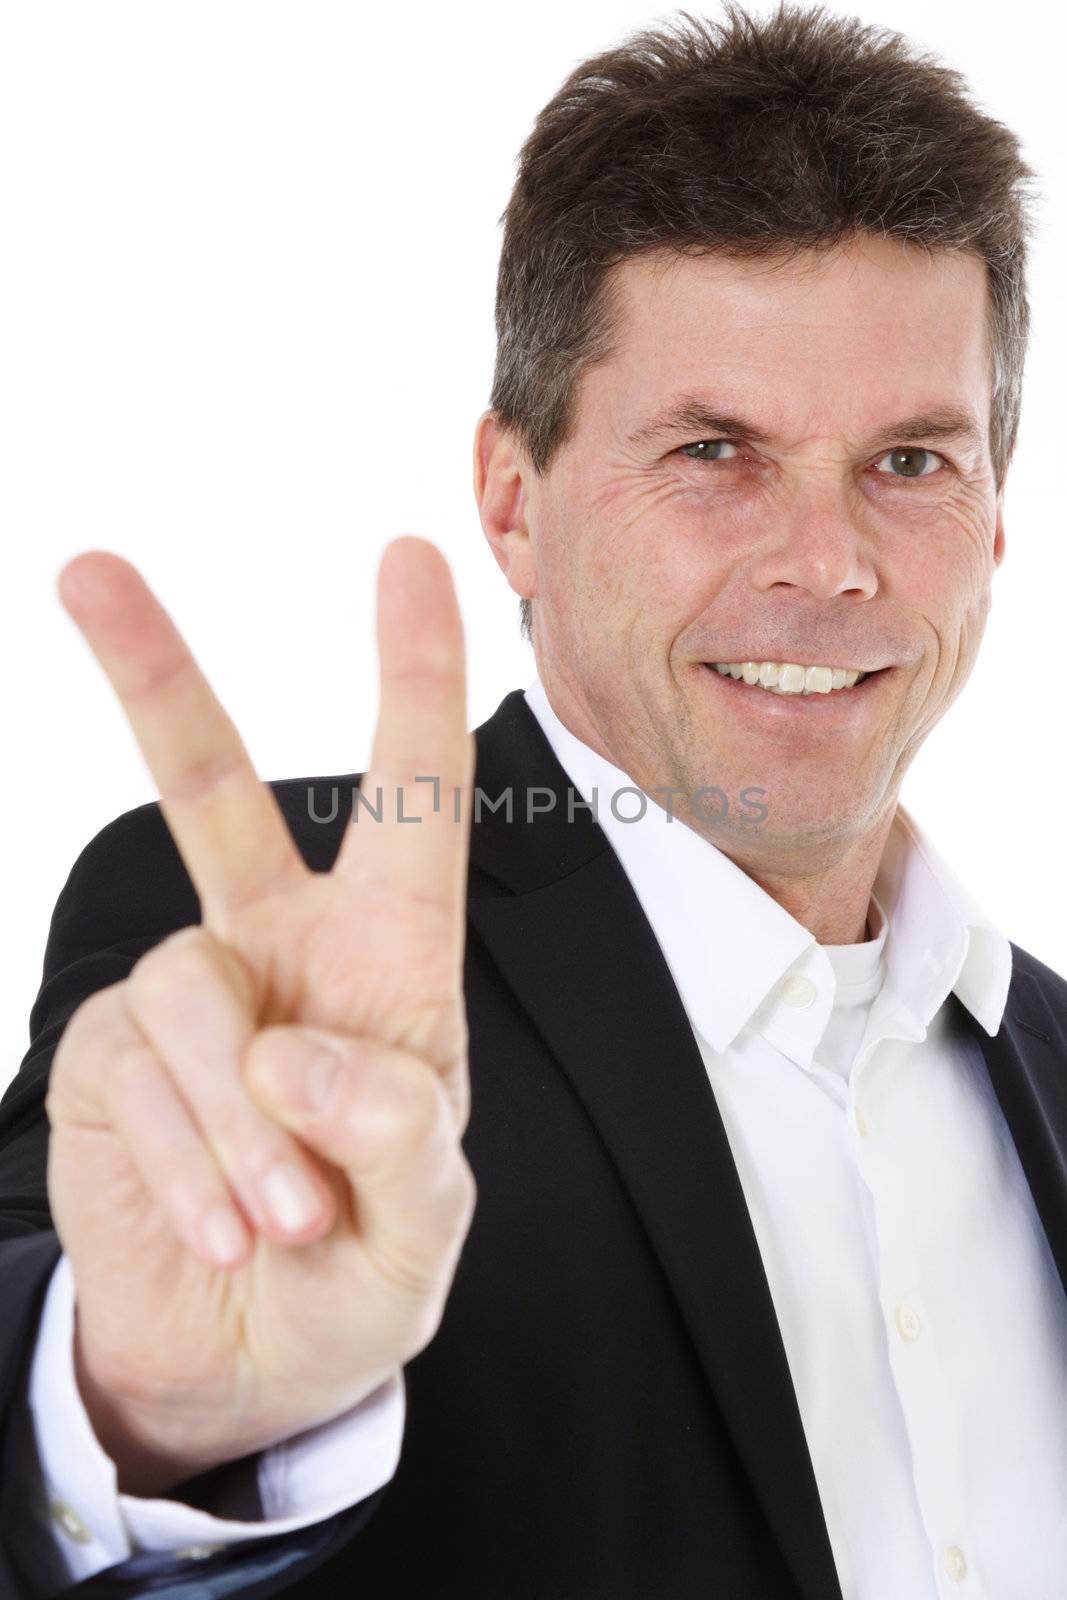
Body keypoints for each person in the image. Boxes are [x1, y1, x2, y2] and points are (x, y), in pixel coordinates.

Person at [1, 2, 1061, 1596]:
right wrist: (130, 1405)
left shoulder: (1053, 1065)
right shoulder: (273, 937)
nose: (828, 561)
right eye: (714, 449)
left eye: (912, 462)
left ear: (992, 522)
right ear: (513, 500)